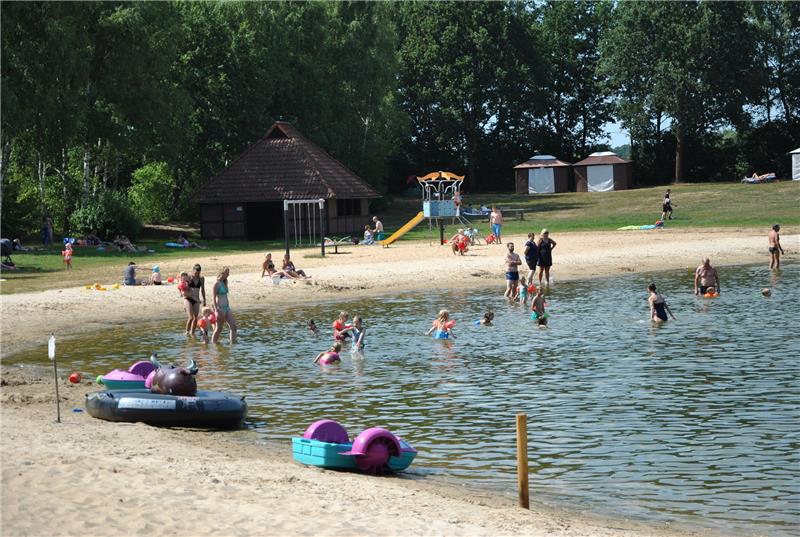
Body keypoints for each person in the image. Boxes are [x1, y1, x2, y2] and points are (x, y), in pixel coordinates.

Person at [212, 266, 237, 344]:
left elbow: (225, 296)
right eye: (227, 273)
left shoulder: (225, 282)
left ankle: (233, 344)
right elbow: (213, 298)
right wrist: (216, 310)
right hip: (220, 308)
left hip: (227, 308)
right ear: (222, 273)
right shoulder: (216, 284)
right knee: (219, 329)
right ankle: (213, 343)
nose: (228, 274)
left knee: (233, 327)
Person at [186, 264, 206, 334]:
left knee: (195, 318)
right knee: (190, 318)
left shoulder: (201, 279)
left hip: (197, 300)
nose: (196, 274)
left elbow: (203, 290)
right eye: (195, 273)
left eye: (198, 273)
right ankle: (187, 332)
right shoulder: (188, 278)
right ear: (192, 271)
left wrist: (204, 300)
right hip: (189, 299)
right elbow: (184, 289)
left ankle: (192, 333)